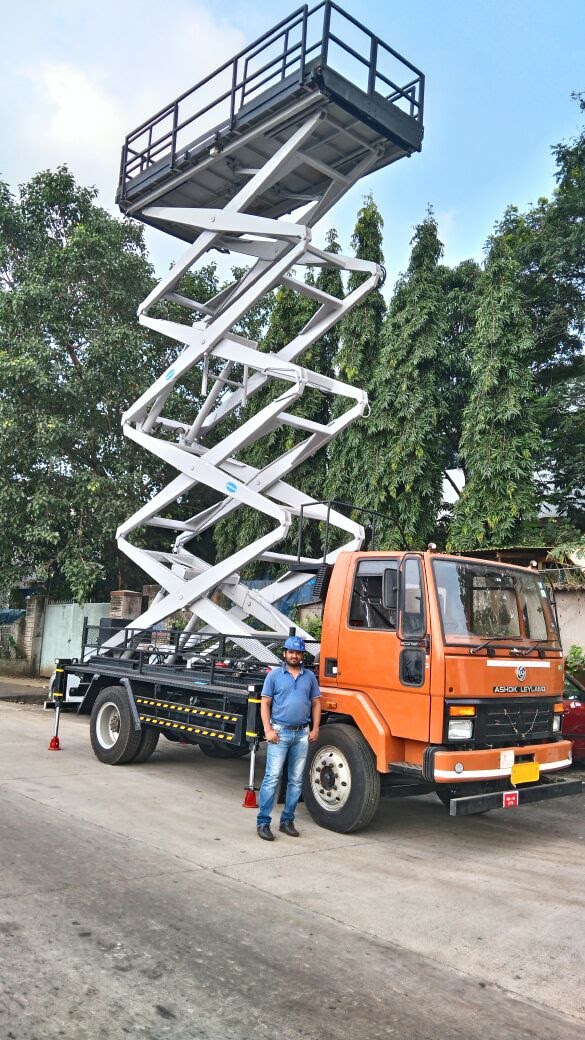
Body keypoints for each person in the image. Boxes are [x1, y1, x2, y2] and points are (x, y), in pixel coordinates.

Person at [256, 635, 321, 841]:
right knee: (272, 778)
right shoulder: (274, 676)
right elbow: (264, 704)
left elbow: (316, 703)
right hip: (279, 732)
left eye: (298, 652)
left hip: (302, 733)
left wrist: (315, 729)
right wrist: (268, 730)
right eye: (291, 652)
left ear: (302, 655)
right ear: (285, 654)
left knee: (295, 780)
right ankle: (263, 822)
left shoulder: (309, 677)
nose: (295, 655)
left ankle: (287, 821)